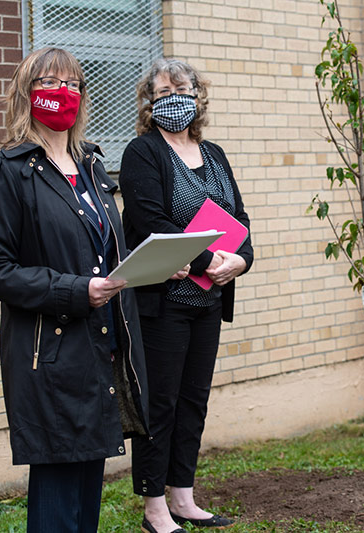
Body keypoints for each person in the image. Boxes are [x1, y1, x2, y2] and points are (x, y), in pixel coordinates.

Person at [0, 47, 149, 532]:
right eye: (50, 82)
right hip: (50, 356)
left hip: (101, 347)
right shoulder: (6, 173)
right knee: (57, 502)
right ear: (27, 94)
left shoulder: (91, 167)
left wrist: (153, 265)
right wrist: (76, 291)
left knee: (87, 495)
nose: (63, 92)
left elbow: (104, 248)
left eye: (73, 84)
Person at [119, 58, 253, 533]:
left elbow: (240, 221)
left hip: (209, 302)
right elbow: (152, 221)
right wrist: (208, 262)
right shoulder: (142, 153)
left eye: (182, 88)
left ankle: (183, 497)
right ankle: (154, 508)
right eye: (163, 90)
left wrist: (241, 260)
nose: (174, 96)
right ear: (149, 102)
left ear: (198, 96)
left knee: (193, 400)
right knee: (162, 403)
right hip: (164, 303)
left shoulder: (214, 153)